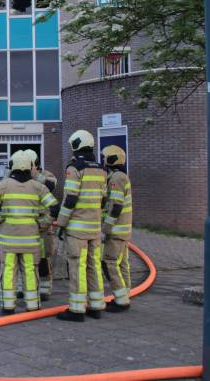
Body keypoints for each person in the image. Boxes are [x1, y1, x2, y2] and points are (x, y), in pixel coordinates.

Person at [0, 150, 55, 314]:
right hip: (31, 240)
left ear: (11, 166)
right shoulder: (38, 187)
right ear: (30, 167)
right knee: (30, 271)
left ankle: (8, 306)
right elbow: (54, 208)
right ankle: (33, 306)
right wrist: (42, 224)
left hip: (8, 241)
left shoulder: (2, 185)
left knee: (8, 270)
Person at [53, 130, 108, 322]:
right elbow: (104, 198)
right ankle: (96, 306)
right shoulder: (101, 169)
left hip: (77, 230)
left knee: (77, 267)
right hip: (94, 228)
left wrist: (61, 223)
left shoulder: (74, 168)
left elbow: (70, 199)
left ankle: (77, 310)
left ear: (76, 145)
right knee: (94, 266)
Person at [101, 145, 133, 312]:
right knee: (122, 264)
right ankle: (125, 295)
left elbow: (116, 206)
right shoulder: (119, 176)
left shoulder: (116, 179)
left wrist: (105, 228)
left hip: (116, 231)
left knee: (109, 263)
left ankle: (121, 300)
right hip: (122, 230)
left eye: (104, 157)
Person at [24, 149, 58, 301]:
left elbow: (51, 186)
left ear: (35, 165)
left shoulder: (47, 175)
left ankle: (45, 287)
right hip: (25, 223)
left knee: (43, 258)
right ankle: (21, 285)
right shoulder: (21, 175)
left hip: (43, 224)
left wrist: (35, 176)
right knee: (23, 256)